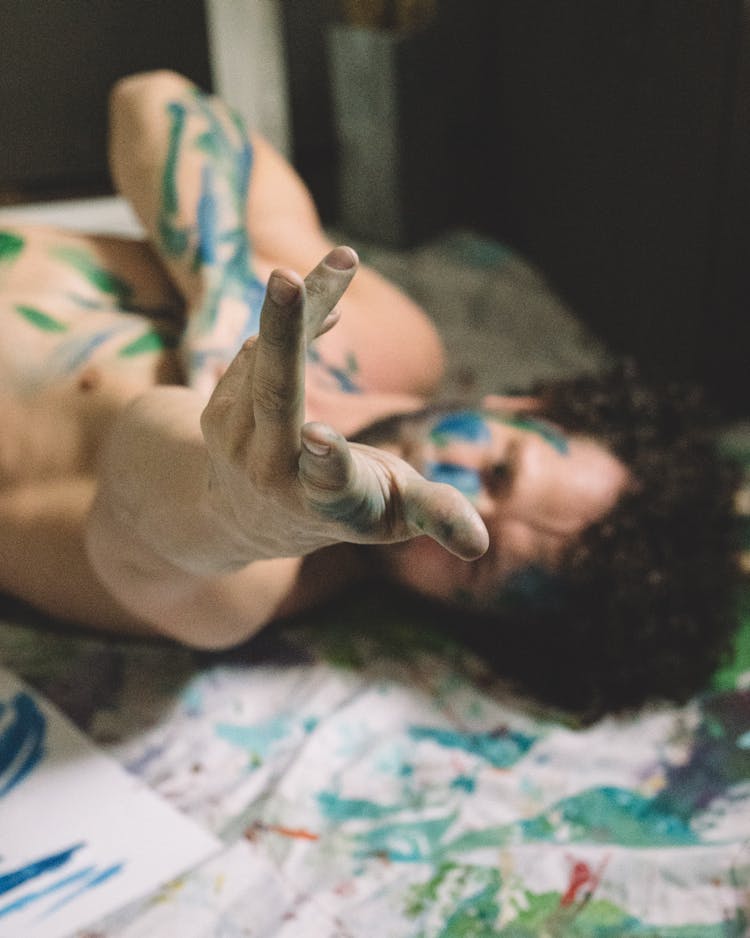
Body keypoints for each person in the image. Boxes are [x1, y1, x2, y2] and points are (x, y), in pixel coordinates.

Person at [0, 71, 743, 716]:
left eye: (472, 557)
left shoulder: (253, 578)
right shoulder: (392, 337)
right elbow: (155, 100)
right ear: (524, 408)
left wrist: (239, 513)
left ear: (451, 616)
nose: (454, 490)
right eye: (501, 469)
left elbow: (144, 491)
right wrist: (220, 290)